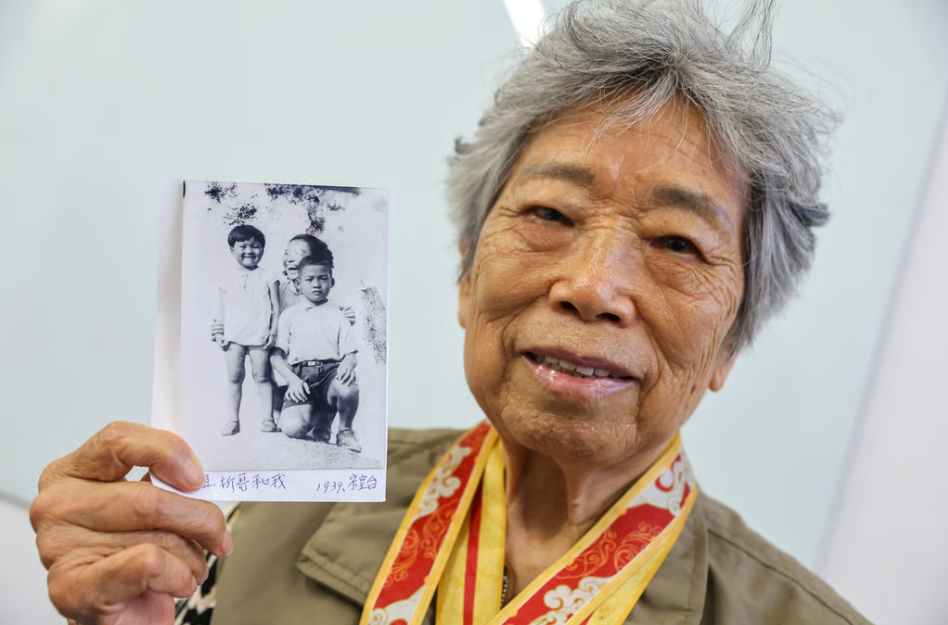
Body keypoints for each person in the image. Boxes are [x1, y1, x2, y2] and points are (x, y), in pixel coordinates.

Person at [29, 1, 873, 624]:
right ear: (466, 274)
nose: (592, 284)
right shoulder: (256, 510)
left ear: (731, 339)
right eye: (549, 215)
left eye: (679, 244)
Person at [270, 249, 362, 452]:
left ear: (332, 282)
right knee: (292, 428)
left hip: (330, 374)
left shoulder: (339, 314)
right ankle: (320, 420)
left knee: (348, 386)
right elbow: (276, 356)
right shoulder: (289, 315)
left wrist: (347, 364)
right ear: (298, 284)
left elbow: (350, 353)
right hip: (301, 378)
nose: (316, 284)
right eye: (309, 279)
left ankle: (345, 431)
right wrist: (292, 380)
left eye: (323, 279)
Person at [212, 224, 280, 435]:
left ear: (262, 249)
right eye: (243, 246)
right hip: (233, 337)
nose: (249, 251)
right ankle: (233, 420)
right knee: (234, 377)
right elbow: (222, 308)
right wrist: (219, 332)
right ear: (232, 249)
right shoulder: (226, 277)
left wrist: (273, 331)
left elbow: (277, 308)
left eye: (255, 246)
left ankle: (268, 420)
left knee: (262, 376)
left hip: (259, 335)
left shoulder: (269, 276)